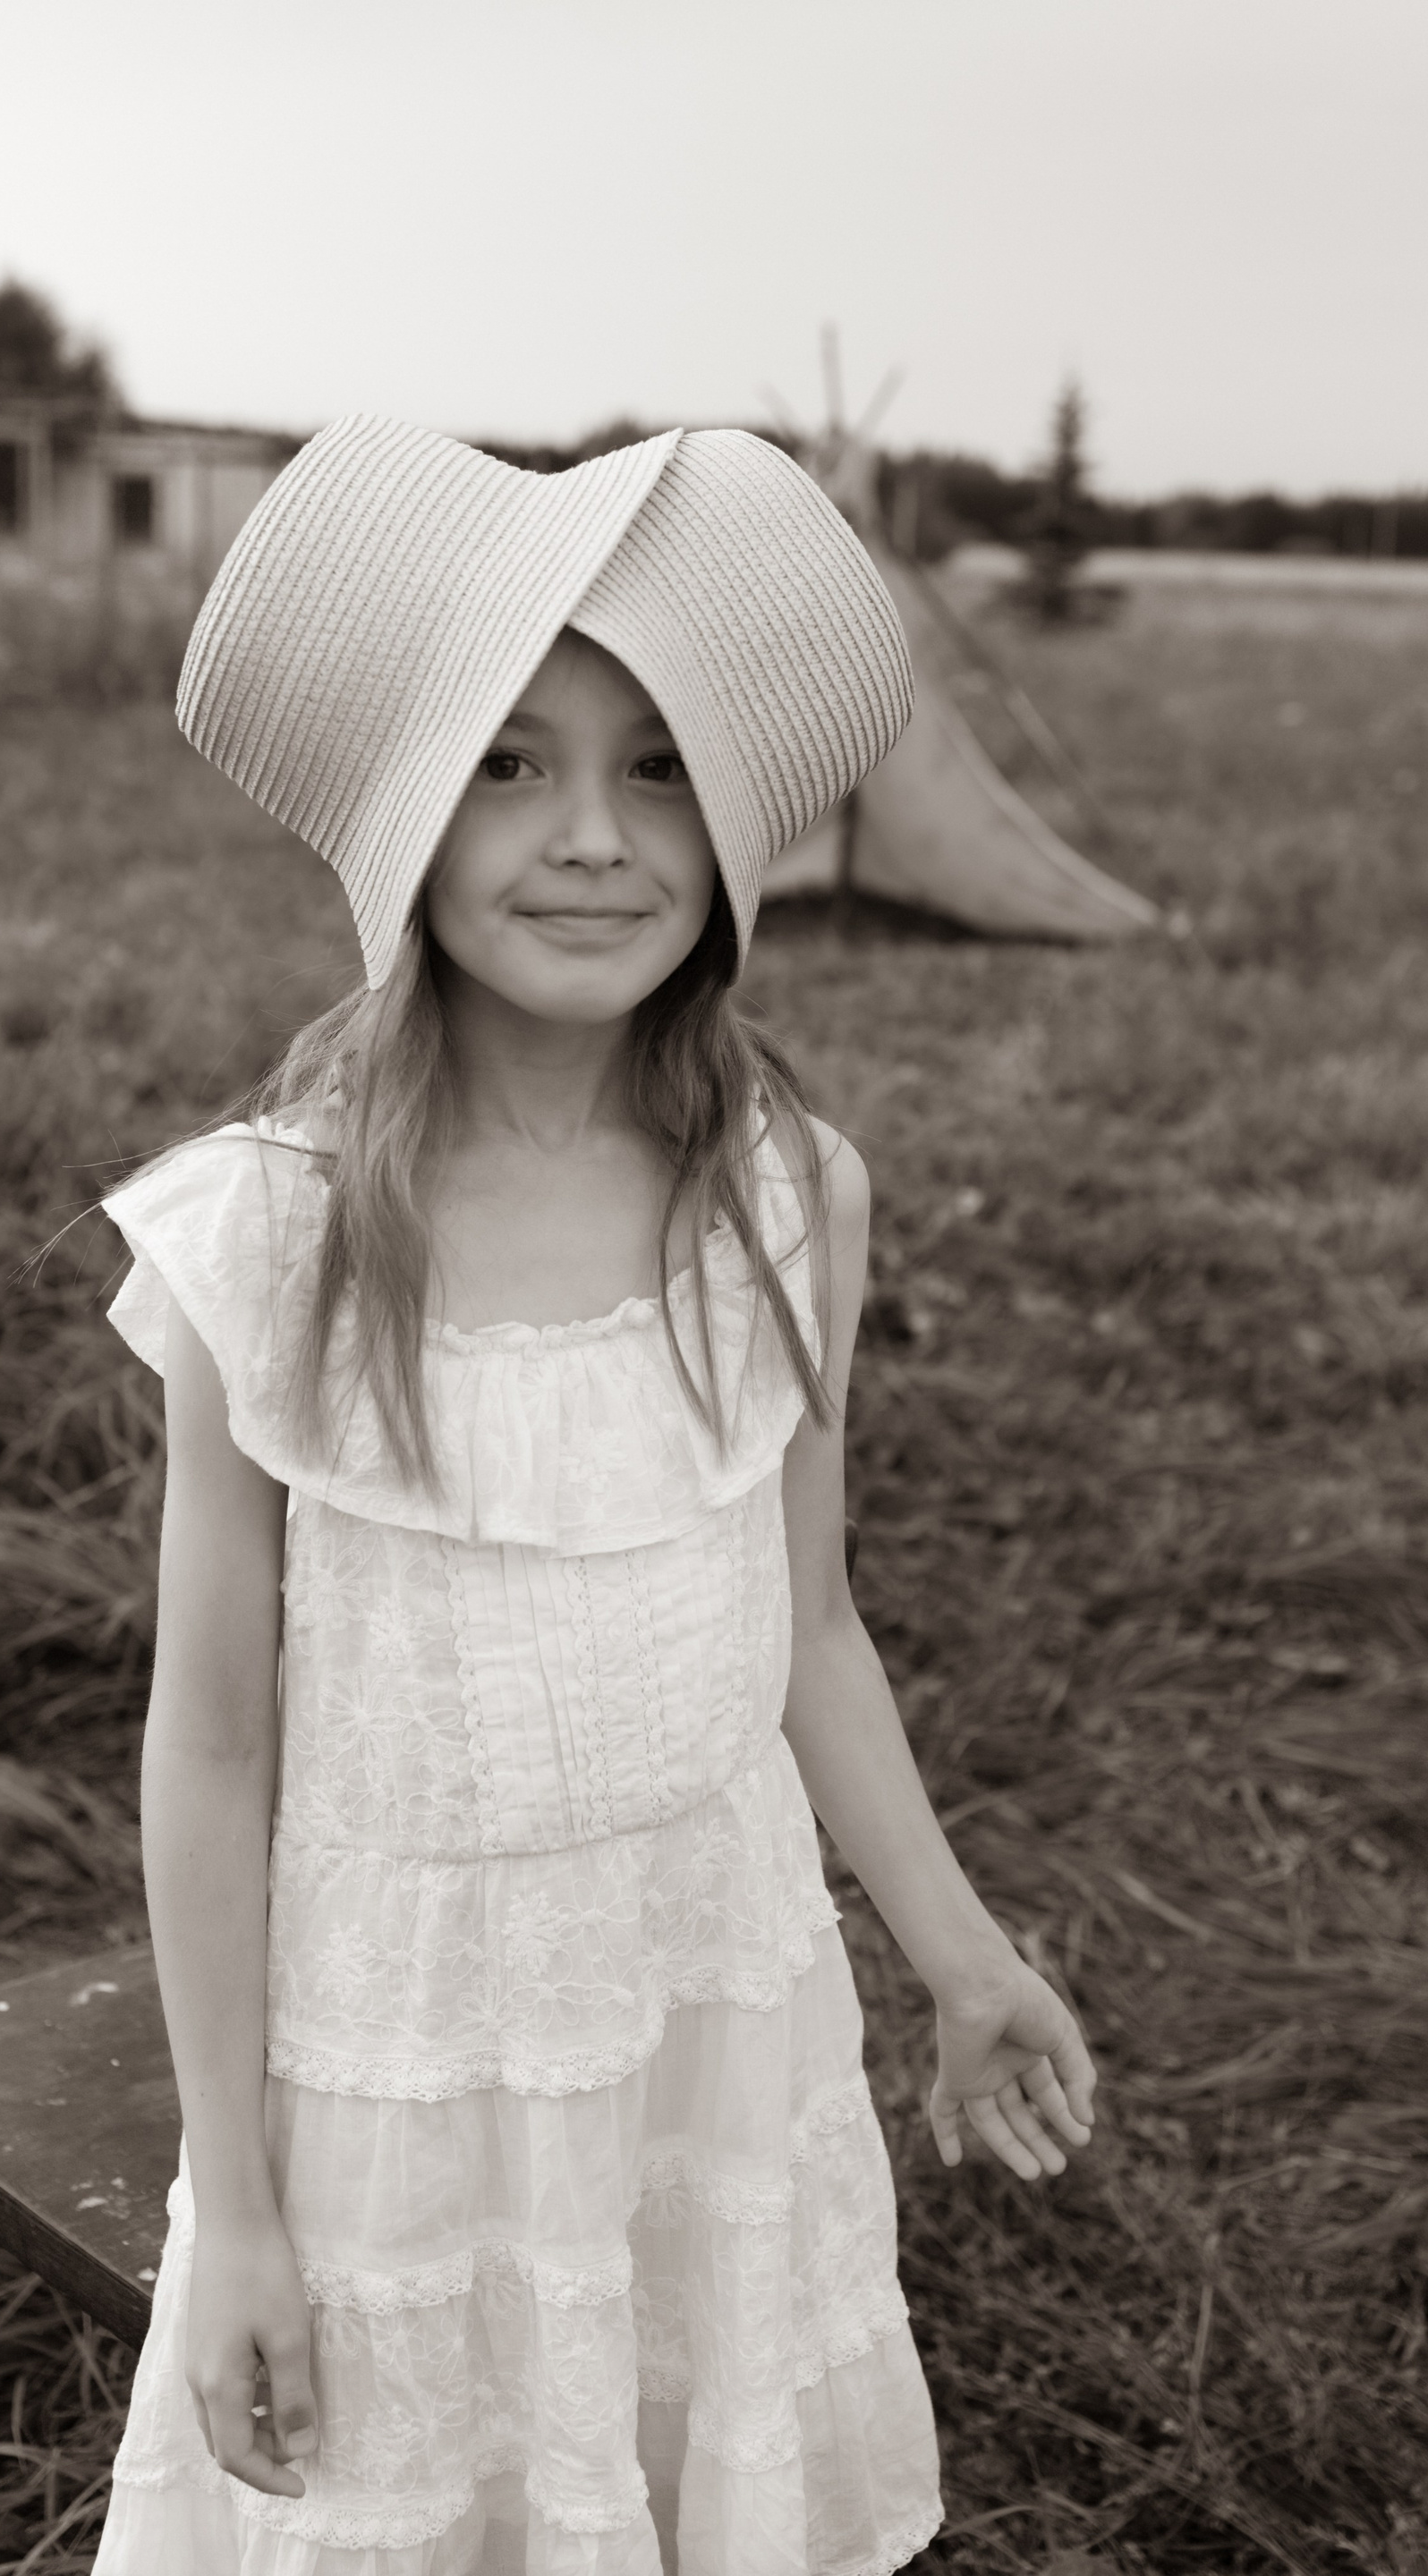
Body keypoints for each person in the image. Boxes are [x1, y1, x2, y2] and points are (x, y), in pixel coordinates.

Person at [89, 416, 1096, 2576]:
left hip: (702, 2005)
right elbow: (215, 1740)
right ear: (408, 811)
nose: (592, 840)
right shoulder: (269, 1240)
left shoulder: (792, 1199)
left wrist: (959, 1951)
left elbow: (807, 1632)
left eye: (656, 769)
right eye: (510, 764)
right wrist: (237, 2198)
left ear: (733, 824)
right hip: (399, 2050)